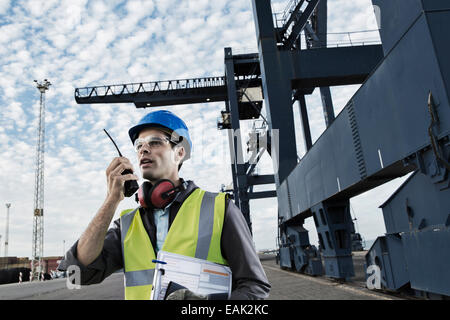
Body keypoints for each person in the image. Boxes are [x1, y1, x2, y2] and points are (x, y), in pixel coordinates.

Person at [58, 110, 271, 300]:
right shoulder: (127, 224)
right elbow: (77, 273)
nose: (143, 150)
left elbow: (255, 287)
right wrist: (111, 200)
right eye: (139, 146)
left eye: (155, 142)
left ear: (179, 153)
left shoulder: (219, 208)